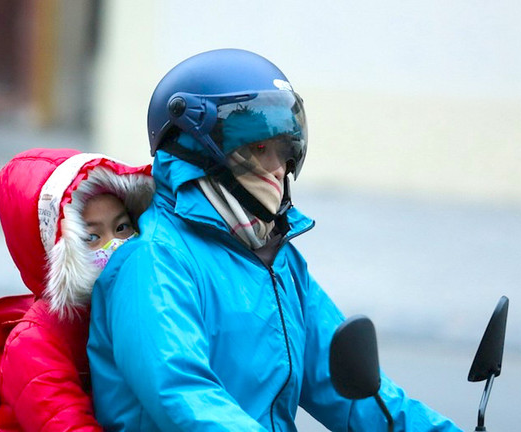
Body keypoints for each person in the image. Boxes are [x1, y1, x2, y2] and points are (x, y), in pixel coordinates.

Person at [87, 49, 463, 431]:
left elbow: (358, 398)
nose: (278, 169)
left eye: (284, 151)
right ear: (198, 151)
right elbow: (185, 398)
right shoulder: (153, 262)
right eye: (258, 149)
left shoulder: (279, 260)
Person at [0, 148, 154, 432]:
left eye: (122, 227)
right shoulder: (33, 344)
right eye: (91, 236)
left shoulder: (139, 302)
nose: (116, 245)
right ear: (58, 252)